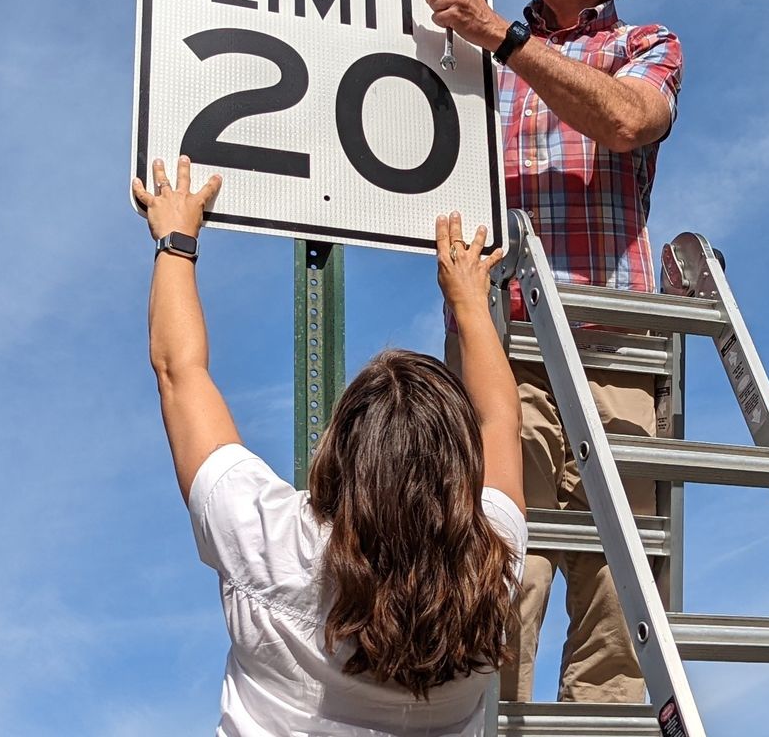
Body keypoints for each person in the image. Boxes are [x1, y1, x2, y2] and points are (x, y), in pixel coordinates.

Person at [132, 154, 527, 737]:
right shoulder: (491, 570)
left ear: (340, 455)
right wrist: (469, 297)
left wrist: (176, 240)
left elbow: (179, 373)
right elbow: (500, 419)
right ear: (459, 470)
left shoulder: (271, 543)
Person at [417, 0, 684, 704]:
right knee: (496, 585)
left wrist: (504, 40)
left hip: (615, 359)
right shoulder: (472, 57)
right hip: (503, 355)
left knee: (617, 610)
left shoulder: (644, 44)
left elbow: (629, 122)